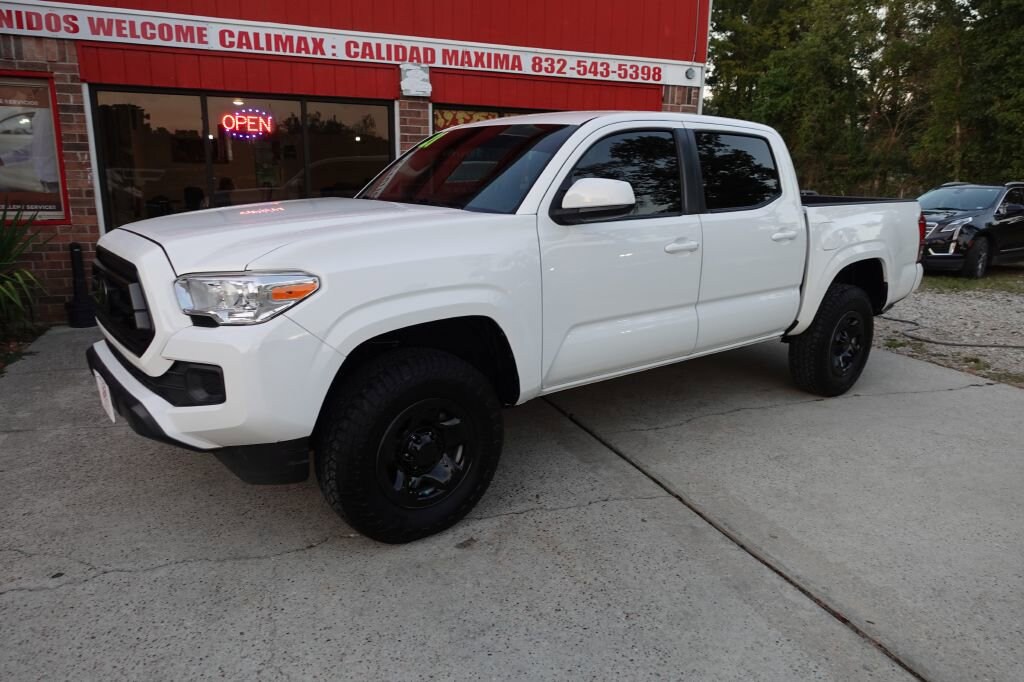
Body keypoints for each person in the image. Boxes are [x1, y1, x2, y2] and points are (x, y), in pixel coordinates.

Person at [0, 107, 60, 193]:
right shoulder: (41, 114)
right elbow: (38, 146)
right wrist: (3, 159)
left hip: (57, 179)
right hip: (47, 179)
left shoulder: (49, 111)